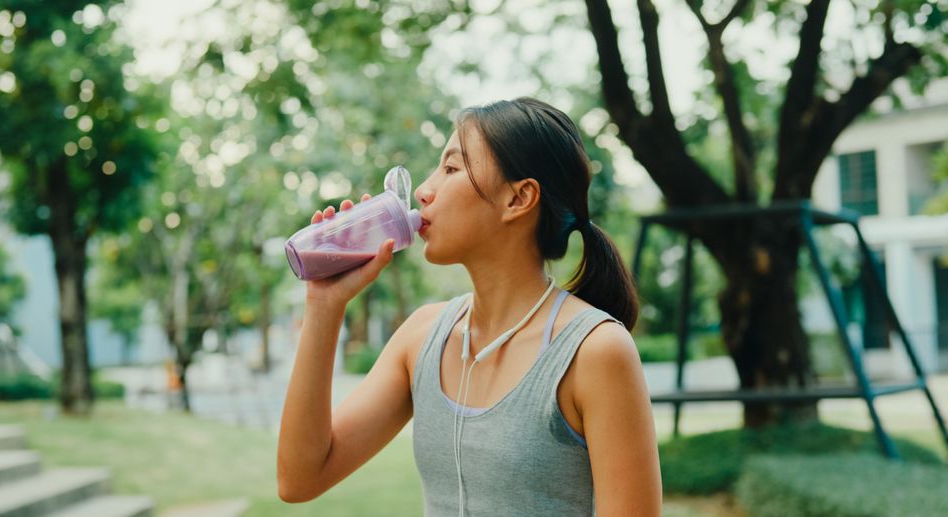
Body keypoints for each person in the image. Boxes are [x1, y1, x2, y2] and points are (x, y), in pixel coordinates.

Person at [277, 97, 662, 516]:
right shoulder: (422, 336)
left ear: (518, 199)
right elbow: (300, 478)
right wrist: (323, 303)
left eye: (451, 168)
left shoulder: (594, 352)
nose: (423, 191)